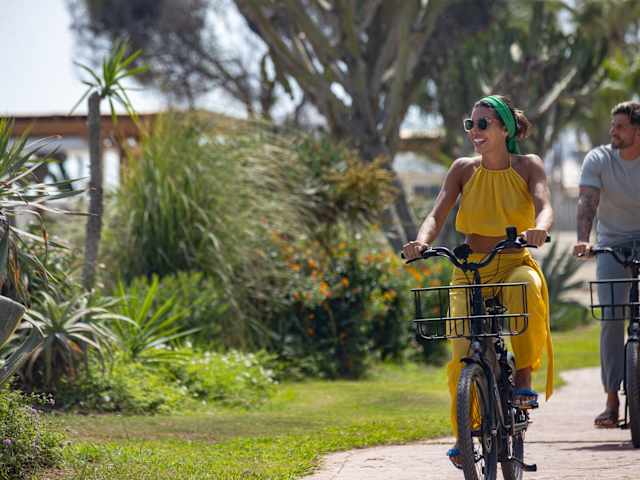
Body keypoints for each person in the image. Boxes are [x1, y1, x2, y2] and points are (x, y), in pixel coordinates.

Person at [402, 95, 554, 468]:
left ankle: (523, 377)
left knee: (526, 287)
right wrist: (421, 241)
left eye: (483, 124)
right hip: (470, 268)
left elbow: (545, 206)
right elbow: (436, 214)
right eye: (471, 125)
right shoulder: (463, 169)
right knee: (461, 349)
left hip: (513, 260)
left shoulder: (528, 166)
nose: (475, 132)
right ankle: (464, 437)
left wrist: (539, 228)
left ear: (505, 129)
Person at [573, 101, 640, 428]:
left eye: (620, 126)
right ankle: (611, 400)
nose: (613, 131)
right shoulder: (599, 159)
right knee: (611, 318)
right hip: (611, 244)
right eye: (612, 125)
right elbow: (588, 200)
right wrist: (583, 240)